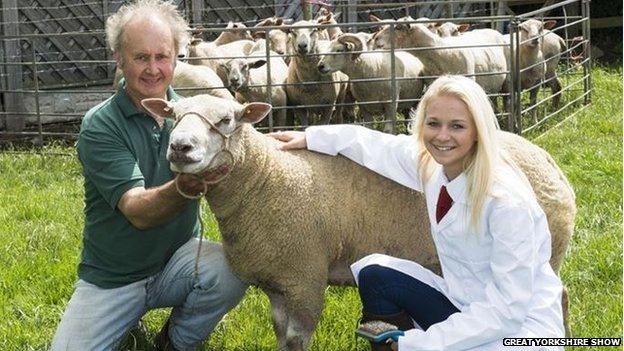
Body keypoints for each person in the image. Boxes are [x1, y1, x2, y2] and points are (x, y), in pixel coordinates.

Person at [269, 75, 565, 351]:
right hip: (467, 307)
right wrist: (314, 137)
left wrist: (416, 343)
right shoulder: (437, 168)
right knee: (375, 273)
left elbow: (507, 311)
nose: (442, 136)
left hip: (519, 334)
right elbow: (380, 147)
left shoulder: (506, 203)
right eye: (433, 123)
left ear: (478, 131)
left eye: (457, 126)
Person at [51, 1, 247, 350]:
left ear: (177, 58)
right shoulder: (100, 125)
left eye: (163, 56)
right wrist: (184, 188)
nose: (154, 69)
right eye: (141, 57)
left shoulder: (193, 115)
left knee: (232, 268)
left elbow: (247, 150)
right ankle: (123, 315)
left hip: (179, 261)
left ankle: (176, 340)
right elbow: (138, 212)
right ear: (119, 59)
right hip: (114, 278)